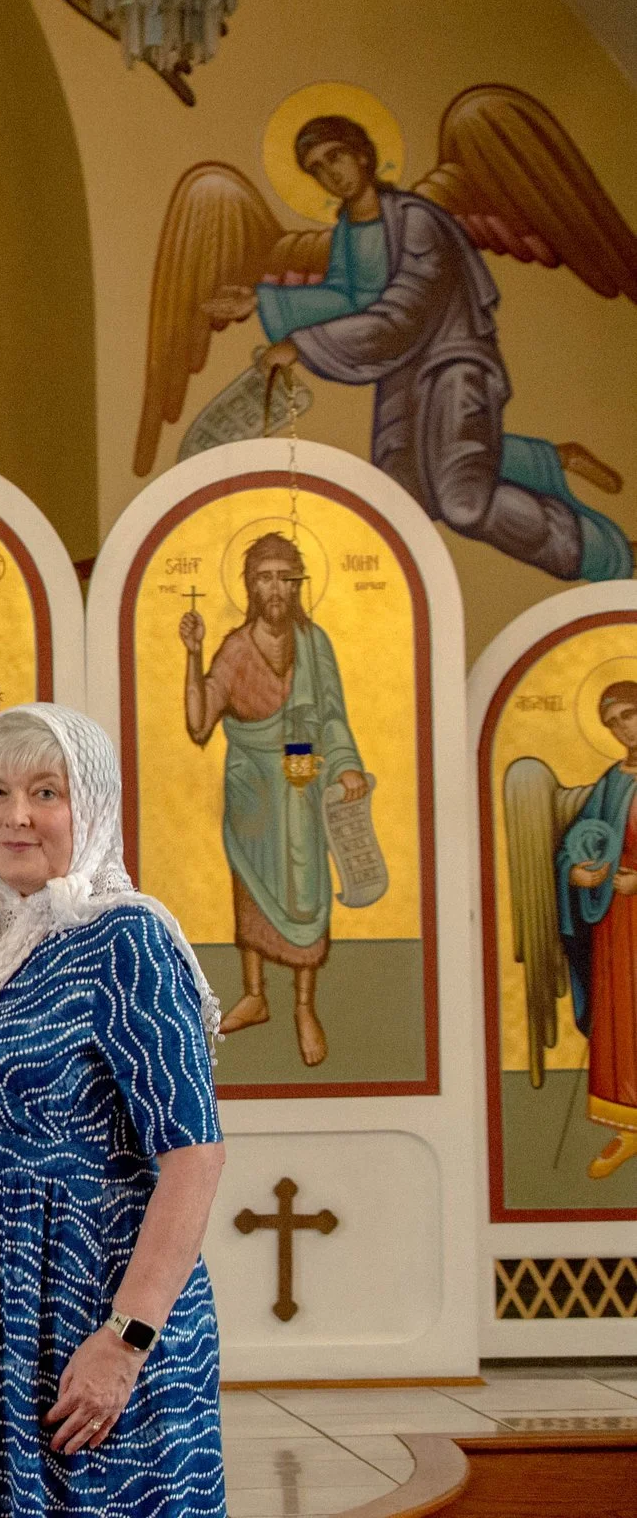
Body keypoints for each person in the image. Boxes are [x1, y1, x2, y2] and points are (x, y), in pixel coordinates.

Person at [0, 703, 227, 1518]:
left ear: (93, 806)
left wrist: (127, 1340)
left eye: (47, 792)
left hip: (84, 1303)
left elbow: (194, 1157)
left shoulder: (128, 940)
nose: (16, 816)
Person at [202, 113, 630, 583]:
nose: (331, 173)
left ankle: (607, 554)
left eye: (335, 156)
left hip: (453, 364)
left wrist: (301, 345)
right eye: (317, 168)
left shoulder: (418, 221)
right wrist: (259, 300)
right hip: (403, 378)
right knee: (405, 501)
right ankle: (547, 458)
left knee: (462, 504)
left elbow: (405, 311)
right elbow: (347, 297)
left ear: (362, 153)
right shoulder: (349, 230)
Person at [179, 531, 369, 1067]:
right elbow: (198, 724)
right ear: (249, 586)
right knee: (254, 885)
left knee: (308, 886)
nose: (276, 587)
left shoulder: (314, 644)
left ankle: (305, 1006)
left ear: (300, 584)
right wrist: (193, 655)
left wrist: (348, 763)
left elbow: (333, 714)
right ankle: (256, 994)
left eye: (286, 576)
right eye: (265, 576)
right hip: (253, 789)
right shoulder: (236, 649)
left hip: (304, 780)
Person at [560, 680, 637, 1179]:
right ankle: (630, 1126)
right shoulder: (613, 782)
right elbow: (580, 839)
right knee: (625, 1016)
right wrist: (575, 871)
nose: (622, 728)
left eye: (629, 714)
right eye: (613, 723)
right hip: (618, 920)